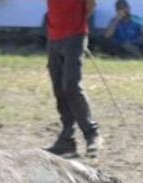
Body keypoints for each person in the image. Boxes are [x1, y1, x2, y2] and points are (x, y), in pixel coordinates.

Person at [46, 0, 103, 158]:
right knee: (59, 88)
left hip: (74, 35)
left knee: (71, 84)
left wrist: (77, 25)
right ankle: (67, 139)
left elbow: (91, 4)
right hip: (54, 36)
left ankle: (91, 133)